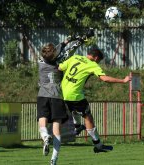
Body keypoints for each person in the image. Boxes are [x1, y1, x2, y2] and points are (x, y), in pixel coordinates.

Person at [37, 29, 94, 165]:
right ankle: (54, 159)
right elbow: (69, 51)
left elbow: (56, 51)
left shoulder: (40, 62)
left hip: (43, 95)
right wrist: (79, 39)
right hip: (57, 96)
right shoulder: (60, 64)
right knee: (57, 128)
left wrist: (66, 41)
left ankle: (45, 136)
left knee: (42, 120)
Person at [58, 48, 130, 153]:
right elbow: (105, 79)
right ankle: (98, 145)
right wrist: (123, 80)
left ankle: (77, 127)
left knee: (75, 110)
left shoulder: (75, 57)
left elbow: (59, 68)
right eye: (98, 61)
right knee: (88, 118)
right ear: (96, 58)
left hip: (64, 92)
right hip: (75, 95)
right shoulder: (92, 64)